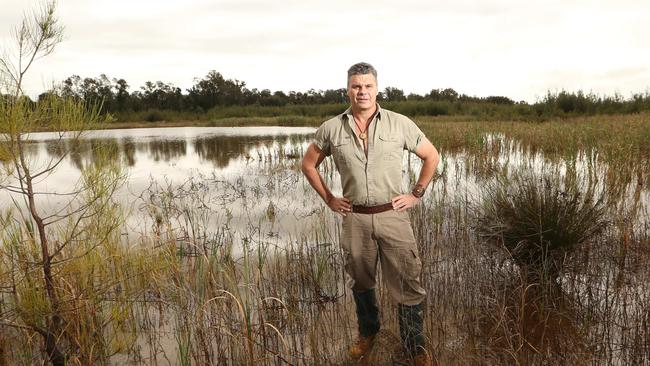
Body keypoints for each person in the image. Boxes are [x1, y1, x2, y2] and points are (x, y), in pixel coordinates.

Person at [301, 62, 440, 366]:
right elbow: (308, 164)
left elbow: (432, 156)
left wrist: (416, 193)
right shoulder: (331, 128)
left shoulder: (400, 124)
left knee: (408, 283)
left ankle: (415, 347)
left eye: (367, 86)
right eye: (356, 86)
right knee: (361, 281)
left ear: (377, 88)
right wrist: (329, 199)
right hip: (356, 220)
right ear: (347, 89)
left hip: (393, 216)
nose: (362, 92)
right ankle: (369, 333)